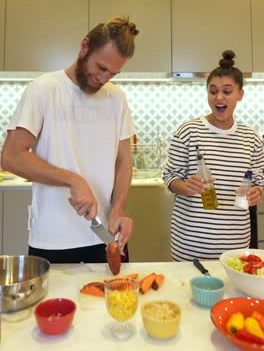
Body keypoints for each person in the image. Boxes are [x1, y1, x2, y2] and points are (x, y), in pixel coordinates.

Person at [1, 15, 139, 263]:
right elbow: (11, 157)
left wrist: (118, 209)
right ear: (84, 46)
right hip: (53, 239)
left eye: (113, 73)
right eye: (101, 67)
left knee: (115, 302)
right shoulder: (43, 89)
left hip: (105, 238)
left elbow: (123, 162)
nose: (104, 79)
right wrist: (73, 179)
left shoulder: (116, 99)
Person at [163, 50, 264, 261]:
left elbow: (260, 180)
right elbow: (170, 177)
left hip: (235, 247)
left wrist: (257, 192)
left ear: (240, 94)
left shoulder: (252, 138)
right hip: (189, 245)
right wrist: (185, 186)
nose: (219, 97)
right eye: (213, 91)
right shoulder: (188, 131)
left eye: (227, 91)